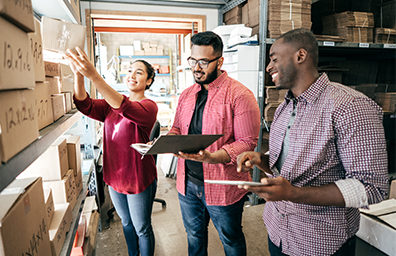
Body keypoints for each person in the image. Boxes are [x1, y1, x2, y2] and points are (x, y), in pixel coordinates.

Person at [237, 28, 389, 256]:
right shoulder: (283, 108)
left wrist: (293, 194)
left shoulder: (349, 106)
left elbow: (372, 188)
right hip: (277, 231)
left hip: (319, 242)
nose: (268, 67)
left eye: (274, 58)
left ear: (300, 56)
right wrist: (261, 160)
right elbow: (288, 170)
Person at [169, 31, 260, 256]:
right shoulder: (186, 95)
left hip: (222, 184)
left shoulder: (240, 95)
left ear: (219, 61)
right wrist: (167, 140)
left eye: (203, 62)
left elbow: (247, 142)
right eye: (193, 60)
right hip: (187, 184)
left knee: (231, 240)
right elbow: (177, 128)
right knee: (194, 238)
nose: (196, 68)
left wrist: (212, 157)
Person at [64, 47, 158, 256]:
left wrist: (94, 75)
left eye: (139, 72)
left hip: (138, 179)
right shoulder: (109, 106)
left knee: (142, 228)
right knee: (126, 222)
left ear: (149, 81)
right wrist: (80, 75)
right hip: (115, 177)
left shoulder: (148, 106)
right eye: (130, 71)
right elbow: (84, 105)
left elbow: (124, 107)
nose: (132, 75)